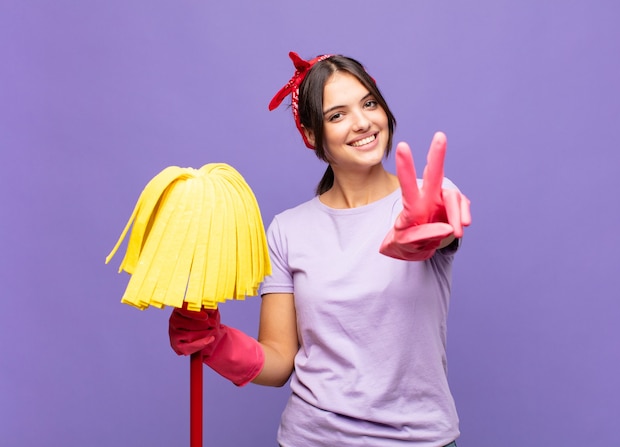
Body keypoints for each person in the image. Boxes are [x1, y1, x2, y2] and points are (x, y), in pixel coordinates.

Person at [168, 51, 472, 447]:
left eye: (369, 103)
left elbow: (442, 229)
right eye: (337, 115)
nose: (363, 122)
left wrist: (427, 229)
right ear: (312, 135)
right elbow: (278, 361)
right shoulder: (288, 230)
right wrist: (215, 342)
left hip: (421, 440)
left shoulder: (428, 193)